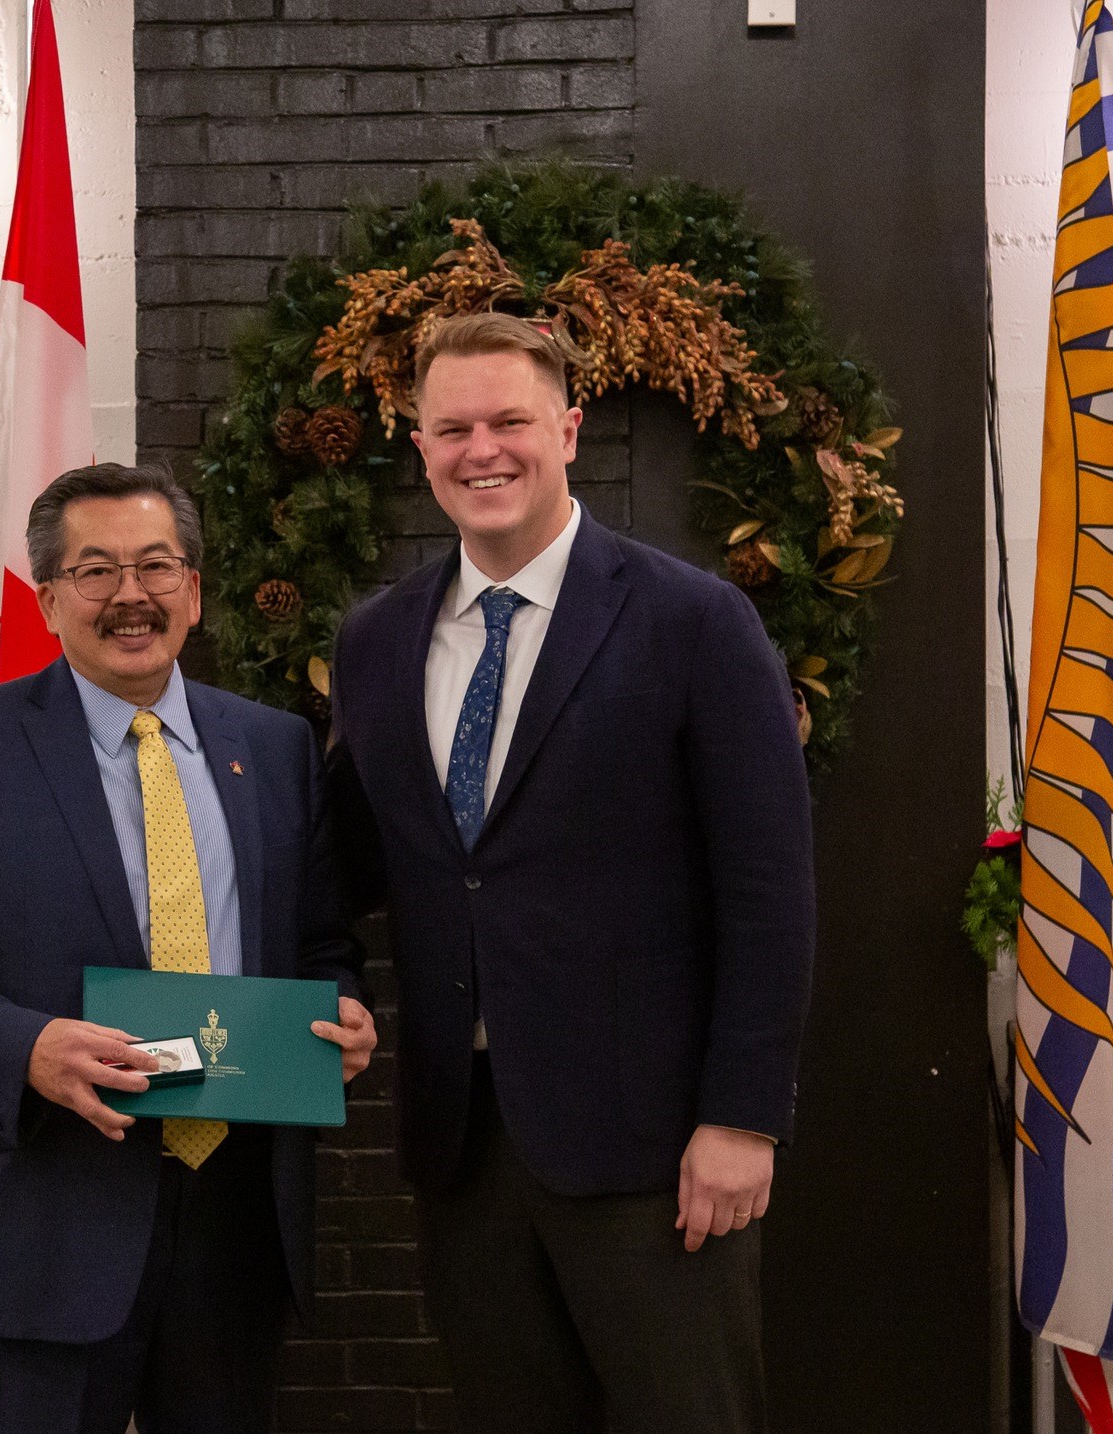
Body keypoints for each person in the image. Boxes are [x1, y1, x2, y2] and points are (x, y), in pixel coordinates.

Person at [326, 312, 815, 1433]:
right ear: (417, 446)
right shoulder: (377, 638)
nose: (479, 449)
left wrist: (741, 1119)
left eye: (508, 420)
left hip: (655, 1148)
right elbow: (364, 856)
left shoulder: (695, 621)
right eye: (450, 428)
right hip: (463, 1143)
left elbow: (768, 893)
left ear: (568, 429)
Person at [0, 462, 376, 1434]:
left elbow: (318, 941)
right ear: (49, 597)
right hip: (44, 1220)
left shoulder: (272, 749)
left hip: (234, 1220)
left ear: (192, 587)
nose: (129, 594)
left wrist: (339, 1011)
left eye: (155, 565)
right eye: (96, 571)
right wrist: (24, 1050)